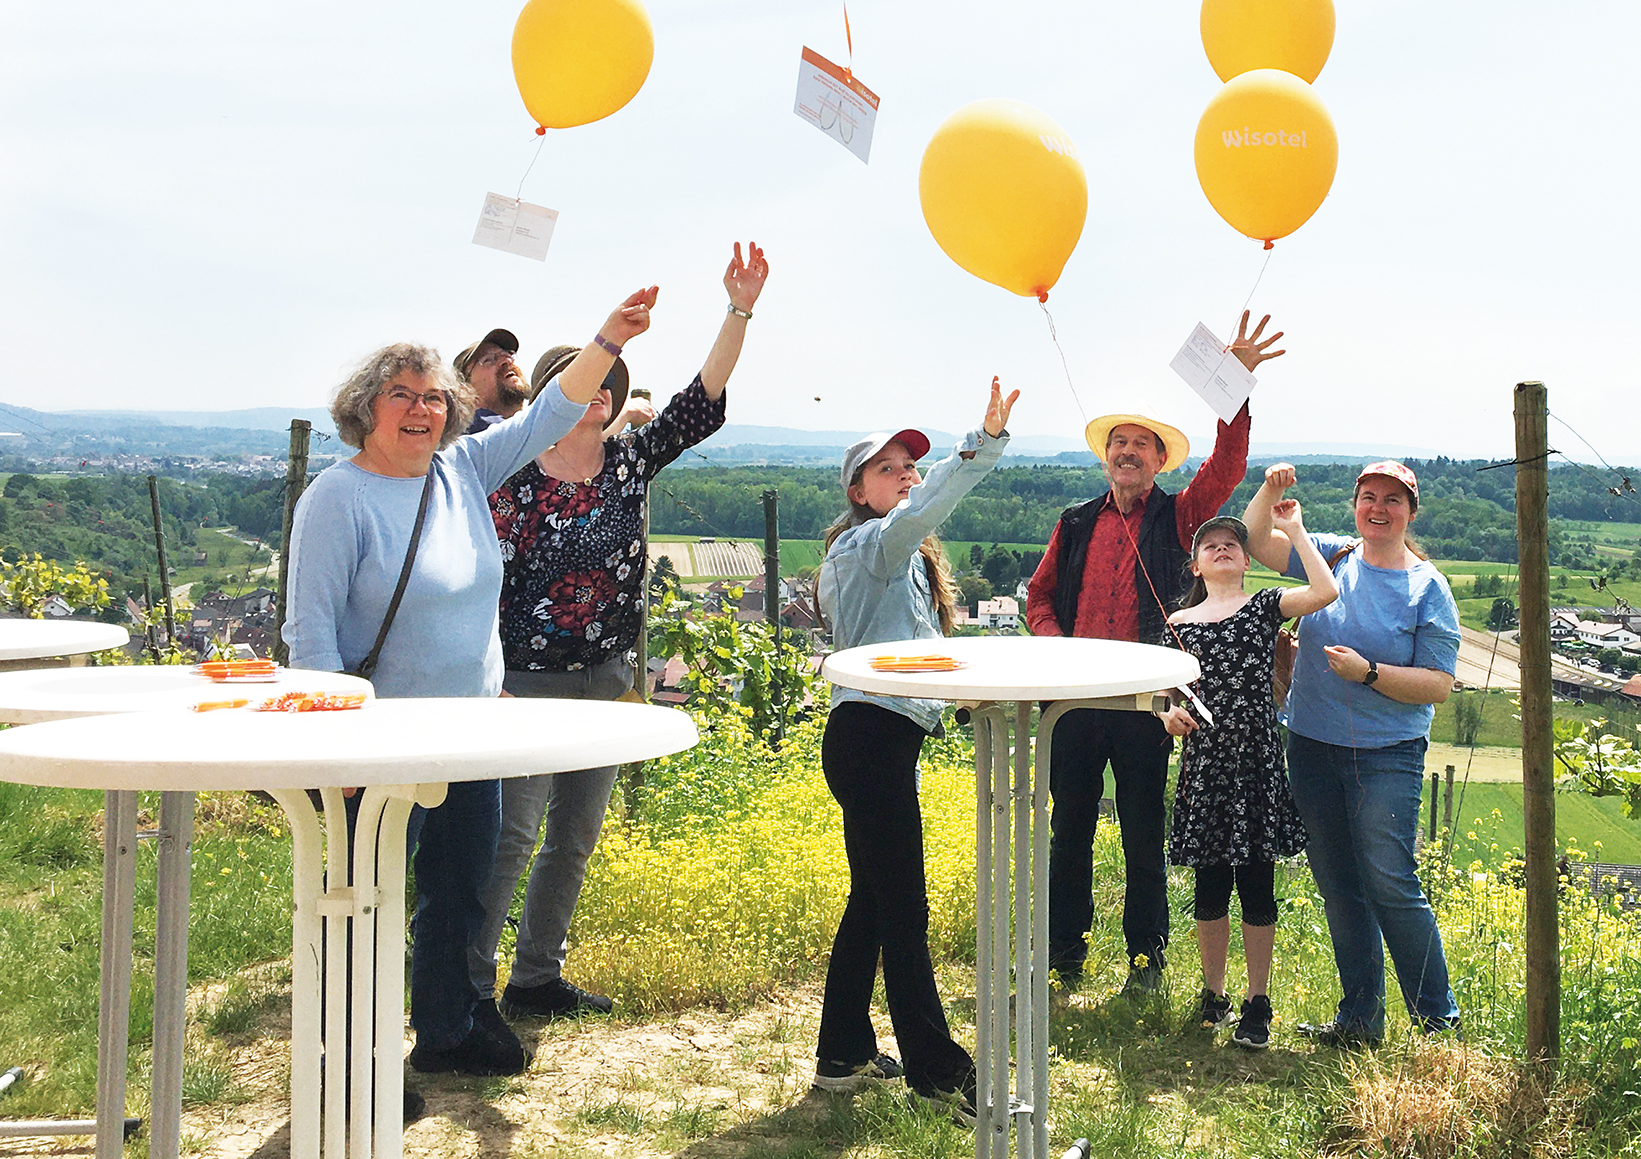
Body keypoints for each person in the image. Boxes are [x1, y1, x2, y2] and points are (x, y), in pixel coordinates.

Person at [283, 286, 658, 1082]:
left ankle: (448, 1030)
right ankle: (357, 1065)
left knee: (458, 895)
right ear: (365, 409)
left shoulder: (461, 469)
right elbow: (309, 635)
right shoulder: (337, 499)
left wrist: (609, 341)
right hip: (378, 744)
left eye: (432, 398)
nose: (420, 411)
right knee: (370, 904)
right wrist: (336, 748)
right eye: (401, 397)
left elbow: (549, 415)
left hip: (471, 733)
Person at [471, 243, 767, 1021]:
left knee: (574, 837)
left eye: (611, 383)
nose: (602, 392)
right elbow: (481, 585)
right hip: (524, 685)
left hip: (606, 678)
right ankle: (463, 989)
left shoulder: (631, 462)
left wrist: (738, 309)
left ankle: (535, 979)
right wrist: (489, 679)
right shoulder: (513, 480)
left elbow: (700, 399)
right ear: (553, 400)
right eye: (584, 382)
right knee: (512, 837)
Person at [1023, 312, 1285, 995]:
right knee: (1069, 833)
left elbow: (1229, 466)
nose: (1129, 452)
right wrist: (1059, 651)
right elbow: (1040, 598)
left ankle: (1146, 962)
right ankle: (1064, 958)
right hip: (1074, 702)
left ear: (1160, 461)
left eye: (1142, 445)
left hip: (1147, 702)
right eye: (1119, 443)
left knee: (1143, 835)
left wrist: (1237, 386)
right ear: (1105, 456)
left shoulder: (1180, 515)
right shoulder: (1075, 522)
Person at [812, 377, 1017, 1117]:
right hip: (871, 737)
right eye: (888, 470)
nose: (904, 478)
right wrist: (984, 445)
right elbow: (933, 505)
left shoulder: (872, 554)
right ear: (860, 491)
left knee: (874, 899)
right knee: (904, 908)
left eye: (908, 466)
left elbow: (911, 651)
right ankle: (940, 1074)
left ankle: (842, 1053)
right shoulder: (874, 542)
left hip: (871, 735)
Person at [1242, 460, 1461, 1046]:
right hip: (1312, 746)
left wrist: (1369, 675)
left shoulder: (1427, 587)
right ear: (1355, 505)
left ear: (1411, 512)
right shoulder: (1333, 555)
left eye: (1393, 500)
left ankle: (1437, 1026)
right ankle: (1360, 1021)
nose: (1379, 508)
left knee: (1390, 883)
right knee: (1339, 885)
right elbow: (1257, 542)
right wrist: (1269, 491)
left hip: (1387, 754)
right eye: (1369, 497)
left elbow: (1438, 684)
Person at [1163, 503, 1337, 1048]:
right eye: (1210, 545)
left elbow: (1324, 592)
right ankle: (1213, 994)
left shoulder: (1264, 606)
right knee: (1210, 884)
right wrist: (1164, 715)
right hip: (1205, 768)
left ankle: (1257, 1001)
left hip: (1257, 764)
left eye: (1232, 545)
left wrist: (1296, 531)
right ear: (1195, 566)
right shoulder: (1177, 626)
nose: (1221, 549)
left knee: (1257, 884)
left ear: (1244, 562)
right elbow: (1157, 695)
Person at [455, 327, 529, 432]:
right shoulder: (477, 432)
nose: (507, 361)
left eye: (509, 354)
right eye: (489, 360)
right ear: (465, 391)